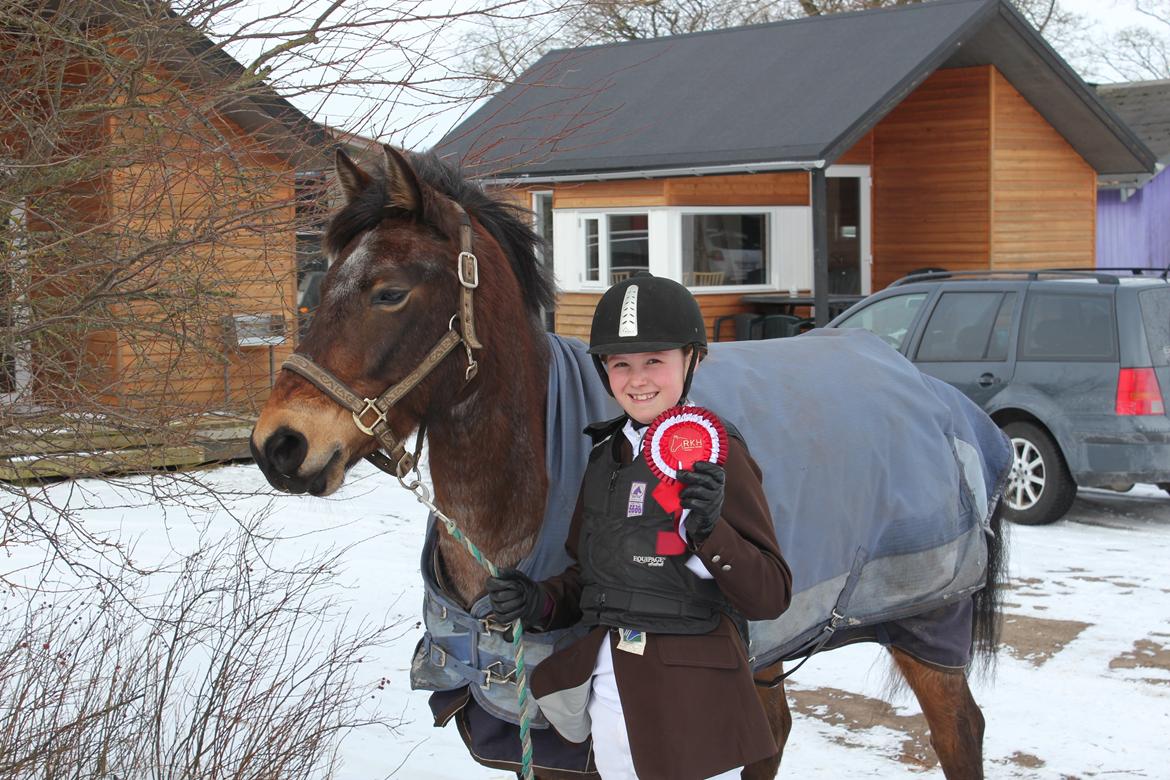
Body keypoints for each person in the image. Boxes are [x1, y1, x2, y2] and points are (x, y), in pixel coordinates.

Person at [485, 273, 793, 780]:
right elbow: (590, 576)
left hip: (692, 698)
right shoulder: (606, 456)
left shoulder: (720, 453)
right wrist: (538, 601)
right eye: (620, 363)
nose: (637, 379)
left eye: (655, 360)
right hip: (612, 686)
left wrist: (711, 531)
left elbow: (770, 595)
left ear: (692, 359)